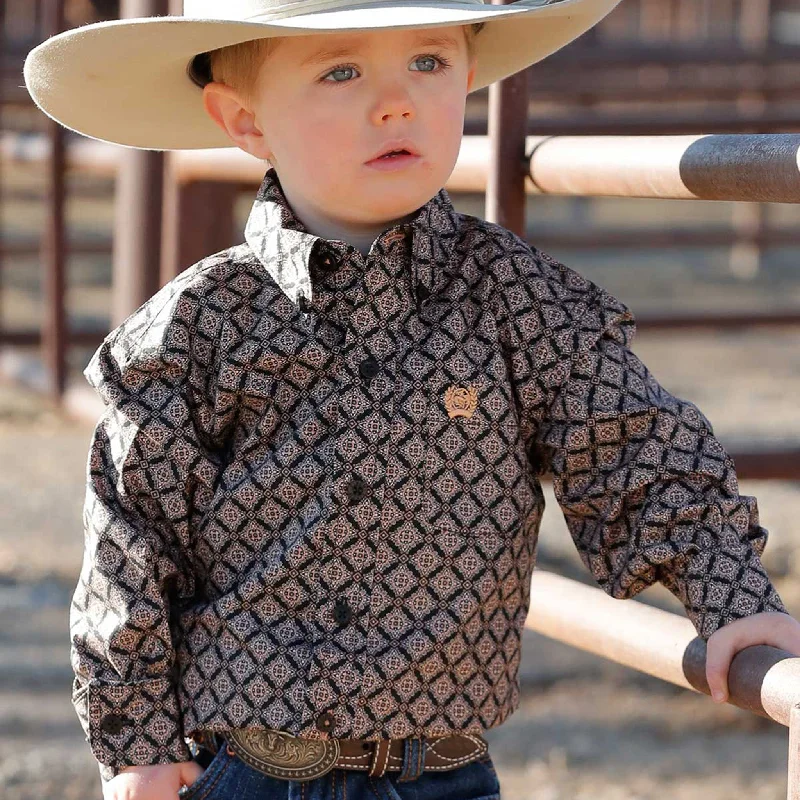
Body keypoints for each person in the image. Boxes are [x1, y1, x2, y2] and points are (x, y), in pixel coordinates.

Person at [22, 1, 800, 798]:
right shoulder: (194, 331)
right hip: (253, 767)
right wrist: (138, 747)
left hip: (446, 773)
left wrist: (728, 595)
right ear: (246, 120)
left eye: (427, 63)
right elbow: (133, 546)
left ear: (466, 76)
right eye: (342, 70)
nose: (396, 102)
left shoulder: (513, 299)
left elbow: (635, 448)